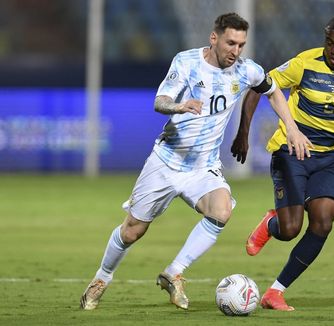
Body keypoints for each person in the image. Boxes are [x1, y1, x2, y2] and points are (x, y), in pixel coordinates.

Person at [80, 12, 312, 311]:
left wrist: (291, 129)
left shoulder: (246, 71)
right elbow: (159, 101)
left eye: (241, 44)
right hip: (166, 161)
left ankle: (173, 273)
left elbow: (272, 90)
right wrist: (180, 105)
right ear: (214, 38)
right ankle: (102, 278)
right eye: (230, 43)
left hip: (203, 167)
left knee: (222, 210)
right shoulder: (186, 62)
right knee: (133, 230)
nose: (236, 51)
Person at [231, 16, 334, 311]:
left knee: (323, 221)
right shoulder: (304, 63)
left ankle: (275, 292)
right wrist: (243, 133)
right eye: (330, 43)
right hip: (290, 152)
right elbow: (260, 86)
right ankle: (272, 224)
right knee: (290, 229)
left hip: (328, 159)